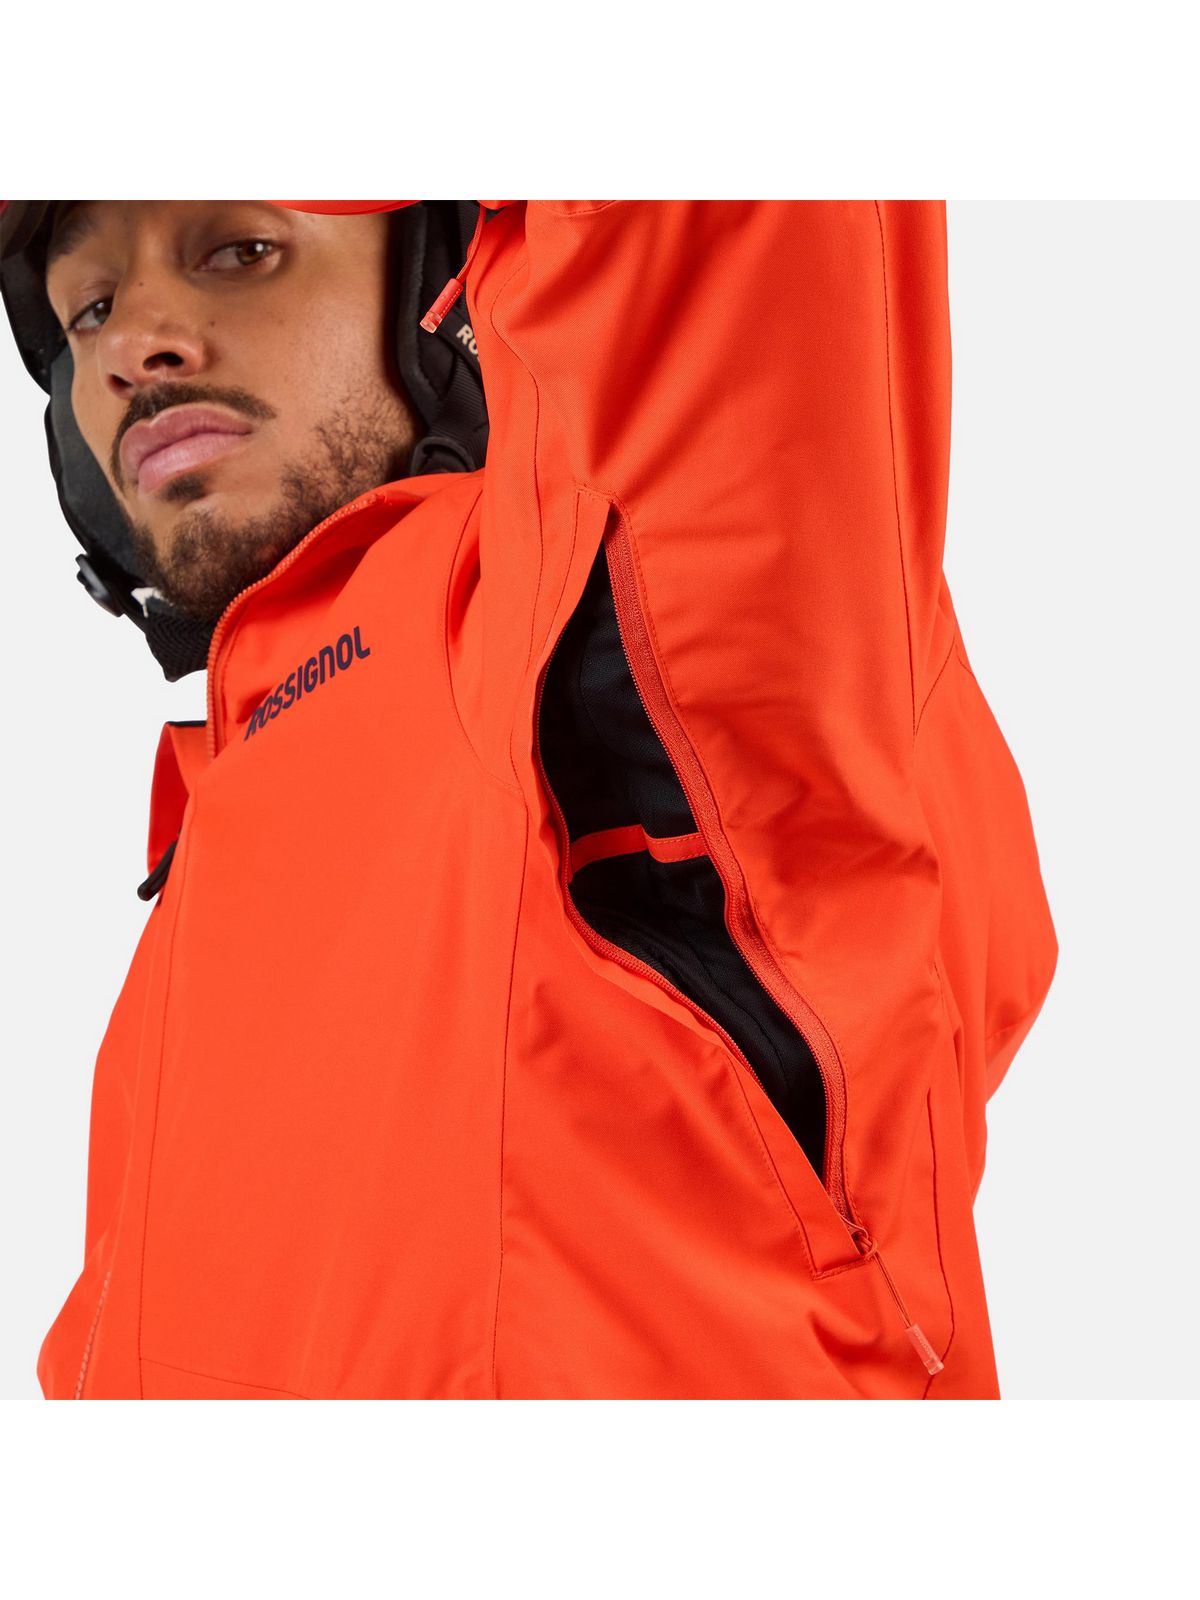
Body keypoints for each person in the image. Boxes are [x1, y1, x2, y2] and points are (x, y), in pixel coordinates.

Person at [0, 199, 1058, 1399]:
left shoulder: (598, 606)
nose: (131, 343)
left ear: (447, 297)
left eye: (242, 251)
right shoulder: (206, 877)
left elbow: (717, 220)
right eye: (88, 308)